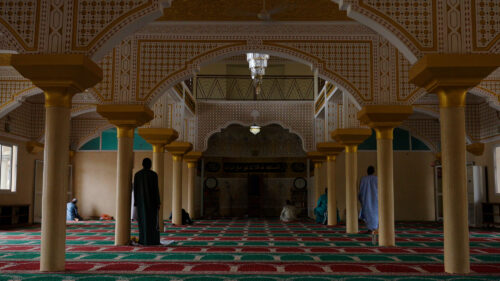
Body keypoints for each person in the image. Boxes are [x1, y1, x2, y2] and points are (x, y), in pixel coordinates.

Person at [133, 158, 161, 245]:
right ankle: (153, 240)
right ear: (150, 165)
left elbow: (135, 190)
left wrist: (136, 202)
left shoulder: (137, 175)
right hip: (152, 203)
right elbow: (156, 190)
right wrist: (158, 202)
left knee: (142, 222)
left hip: (141, 204)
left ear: (142, 164)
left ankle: (143, 240)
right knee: (152, 222)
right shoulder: (154, 175)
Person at [358, 166, 378, 234]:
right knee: (375, 214)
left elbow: (361, 190)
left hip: (366, 199)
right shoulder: (377, 179)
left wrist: (361, 198)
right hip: (375, 200)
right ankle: (373, 228)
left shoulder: (363, 179)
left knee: (369, 214)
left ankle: (371, 229)